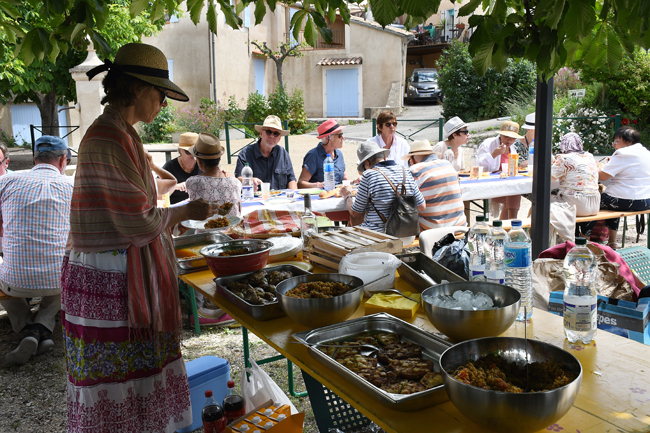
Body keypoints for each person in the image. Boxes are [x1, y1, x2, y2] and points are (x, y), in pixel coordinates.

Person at [63, 43, 222, 432]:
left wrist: (173, 217)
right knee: (120, 382)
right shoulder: (108, 138)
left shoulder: (121, 134)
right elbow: (135, 220)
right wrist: (184, 211)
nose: (162, 104)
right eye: (159, 93)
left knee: (136, 377)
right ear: (136, 89)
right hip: (112, 278)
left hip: (119, 270)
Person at [0, 135, 73, 365]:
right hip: (56, 281)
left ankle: (26, 328)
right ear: (63, 160)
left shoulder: (6, 183)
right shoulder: (73, 187)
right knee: (65, 269)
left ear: (34, 159)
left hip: (15, 281)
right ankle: (41, 327)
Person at [340, 140, 425, 234]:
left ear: (367, 163)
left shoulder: (369, 175)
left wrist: (347, 196)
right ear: (384, 156)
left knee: (348, 232)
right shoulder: (405, 171)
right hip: (407, 234)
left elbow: (356, 213)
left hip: (379, 235)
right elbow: (421, 206)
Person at [585, 126, 650, 249]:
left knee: (592, 201)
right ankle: (612, 242)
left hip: (627, 200)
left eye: (616, 141)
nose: (614, 145)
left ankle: (585, 241)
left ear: (629, 141)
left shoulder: (622, 153)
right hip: (646, 201)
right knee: (611, 198)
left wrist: (593, 167)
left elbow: (603, 176)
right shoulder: (646, 152)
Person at [403, 140, 467, 230]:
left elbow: (406, 203)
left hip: (432, 229)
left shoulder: (414, 170)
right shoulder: (448, 165)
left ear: (412, 159)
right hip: (460, 226)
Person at [234, 115, 297, 190]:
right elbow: (238, 179)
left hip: (279, 199)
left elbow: (291, 179)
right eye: (269, 132)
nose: (272, 136)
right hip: (255, 199)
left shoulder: (282, 153)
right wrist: (250, 181)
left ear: (279, 138)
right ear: (261, 133)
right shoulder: (246, 153)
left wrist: (293, 197)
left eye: (276, 134)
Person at [477, 120, 524, 220]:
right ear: (501, 135)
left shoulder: (513, 149)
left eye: (513, 138)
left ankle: (508, 224)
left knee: (515, 192)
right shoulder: (488, 144)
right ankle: (509, 225)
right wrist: (494, 154)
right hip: (488, 185)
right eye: (507, 137)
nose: (509, 141)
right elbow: (478, 165)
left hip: (505, 184)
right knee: (513, 193)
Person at [551, 133, 600, 217]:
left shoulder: (563, 159)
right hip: (595, 205)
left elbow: (547, 179)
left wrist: (554, 163)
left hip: (576, 205)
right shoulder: (590, 156)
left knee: (542, 201)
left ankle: (537, 229)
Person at [298, 119, 347, 189]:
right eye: (340, 135)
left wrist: (354, 181)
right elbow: (300, 183)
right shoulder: (313, 155)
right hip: (319, 197)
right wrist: (318, 185)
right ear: (328, 138)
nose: (343, 138)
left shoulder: (339, 154)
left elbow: (344, 179)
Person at [162, 132, 203, 204]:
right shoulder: (170, 167)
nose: (192, 155)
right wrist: (175, 186)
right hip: (176, 211)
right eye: (188, 151)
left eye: (195, 151)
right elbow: (159, 195)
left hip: (198, 209)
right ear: (180, 150)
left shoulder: (203, 165)